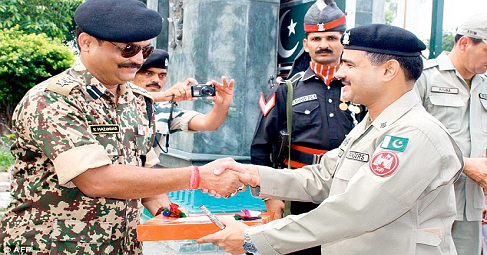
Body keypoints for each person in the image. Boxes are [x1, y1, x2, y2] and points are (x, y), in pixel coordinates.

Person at [198, 24, 464, 255]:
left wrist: (253, 239)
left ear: (388, 70)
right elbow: (323, 177)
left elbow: (357, 210)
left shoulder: (414, 134)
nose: (339, 73)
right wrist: (251, 175)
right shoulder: (373, 125)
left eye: (349, 64)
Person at [0, 0, 242, 254]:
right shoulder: (52, 99)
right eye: (127, 49)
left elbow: (143, 173)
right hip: (54, 247)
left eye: (145, 51)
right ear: (86, 43)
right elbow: (96, 179)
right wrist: (197, 177)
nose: (137, 59)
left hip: (122, 246)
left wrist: (173, 216)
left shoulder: (136, 100)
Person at [251, 3, 364, 253]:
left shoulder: (361, 90)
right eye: (316, 38)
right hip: (298, 195)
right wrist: (271, 197)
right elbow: (260, 148)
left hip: (349, 193)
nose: (323, 44)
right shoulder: (285, 90)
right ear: (306, 44)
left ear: (343, 42)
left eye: (331, 38)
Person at [414, 13, 487, 255]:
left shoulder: (485, 84)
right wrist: (464, 164)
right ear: (465, 43)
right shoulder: (423, 76)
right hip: (429, 200)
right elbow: (408, 137)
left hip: (471, 203)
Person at [132, 49, 234, 212]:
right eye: (147, 73)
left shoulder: (163, 109)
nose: (155, 80)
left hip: (134, 203)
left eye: (161, 75)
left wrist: (222, 105)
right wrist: (165, 95)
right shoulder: (111, 104)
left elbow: (208, 123)